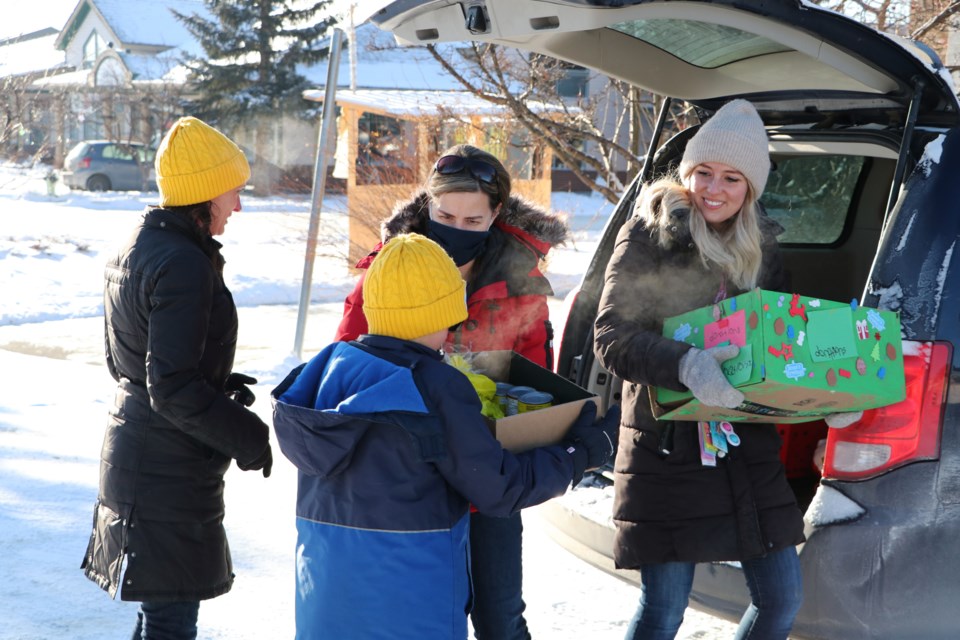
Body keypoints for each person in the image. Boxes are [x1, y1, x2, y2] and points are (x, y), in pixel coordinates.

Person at [272, 233, 619, 639]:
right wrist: (583, 451)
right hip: (414, 604)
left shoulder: (332, 367)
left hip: (327, 601)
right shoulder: (435, 386)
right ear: (444, 310)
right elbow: (500, 488)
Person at [334, 144, 569, 639]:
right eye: (444, 216)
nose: (455, 231)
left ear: (496, 215)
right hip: (407, 483)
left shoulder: (521, 285)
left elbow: (532, 388)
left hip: (488, 482)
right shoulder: (385, 272)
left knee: (500, 618)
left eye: (472, 221)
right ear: (427, 205)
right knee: (419, 619)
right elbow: (347, 366)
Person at [593, 99, 805, 640]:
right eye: (703, 173)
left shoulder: (763, 251)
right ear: (685, 174)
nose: (714, 188)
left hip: (744, 449)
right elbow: (611, 336)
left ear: (750, 188)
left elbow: (781, 347)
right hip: (668, 449)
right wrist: (685, 363)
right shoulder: (649, 233)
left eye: (732, 177)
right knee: (665, 609)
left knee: (781, 600)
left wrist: (829, 401)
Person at [81, 116, 273, 639]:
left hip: (141, 452)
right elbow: (170, 386)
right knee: (170, 622)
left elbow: (131, 363)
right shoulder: (182, 262)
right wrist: (247, 435)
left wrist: (215, 381)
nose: (238, 205)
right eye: (234, 192)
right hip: (166, 469)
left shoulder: (137, 245)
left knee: (161, 616)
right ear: (205, 193)